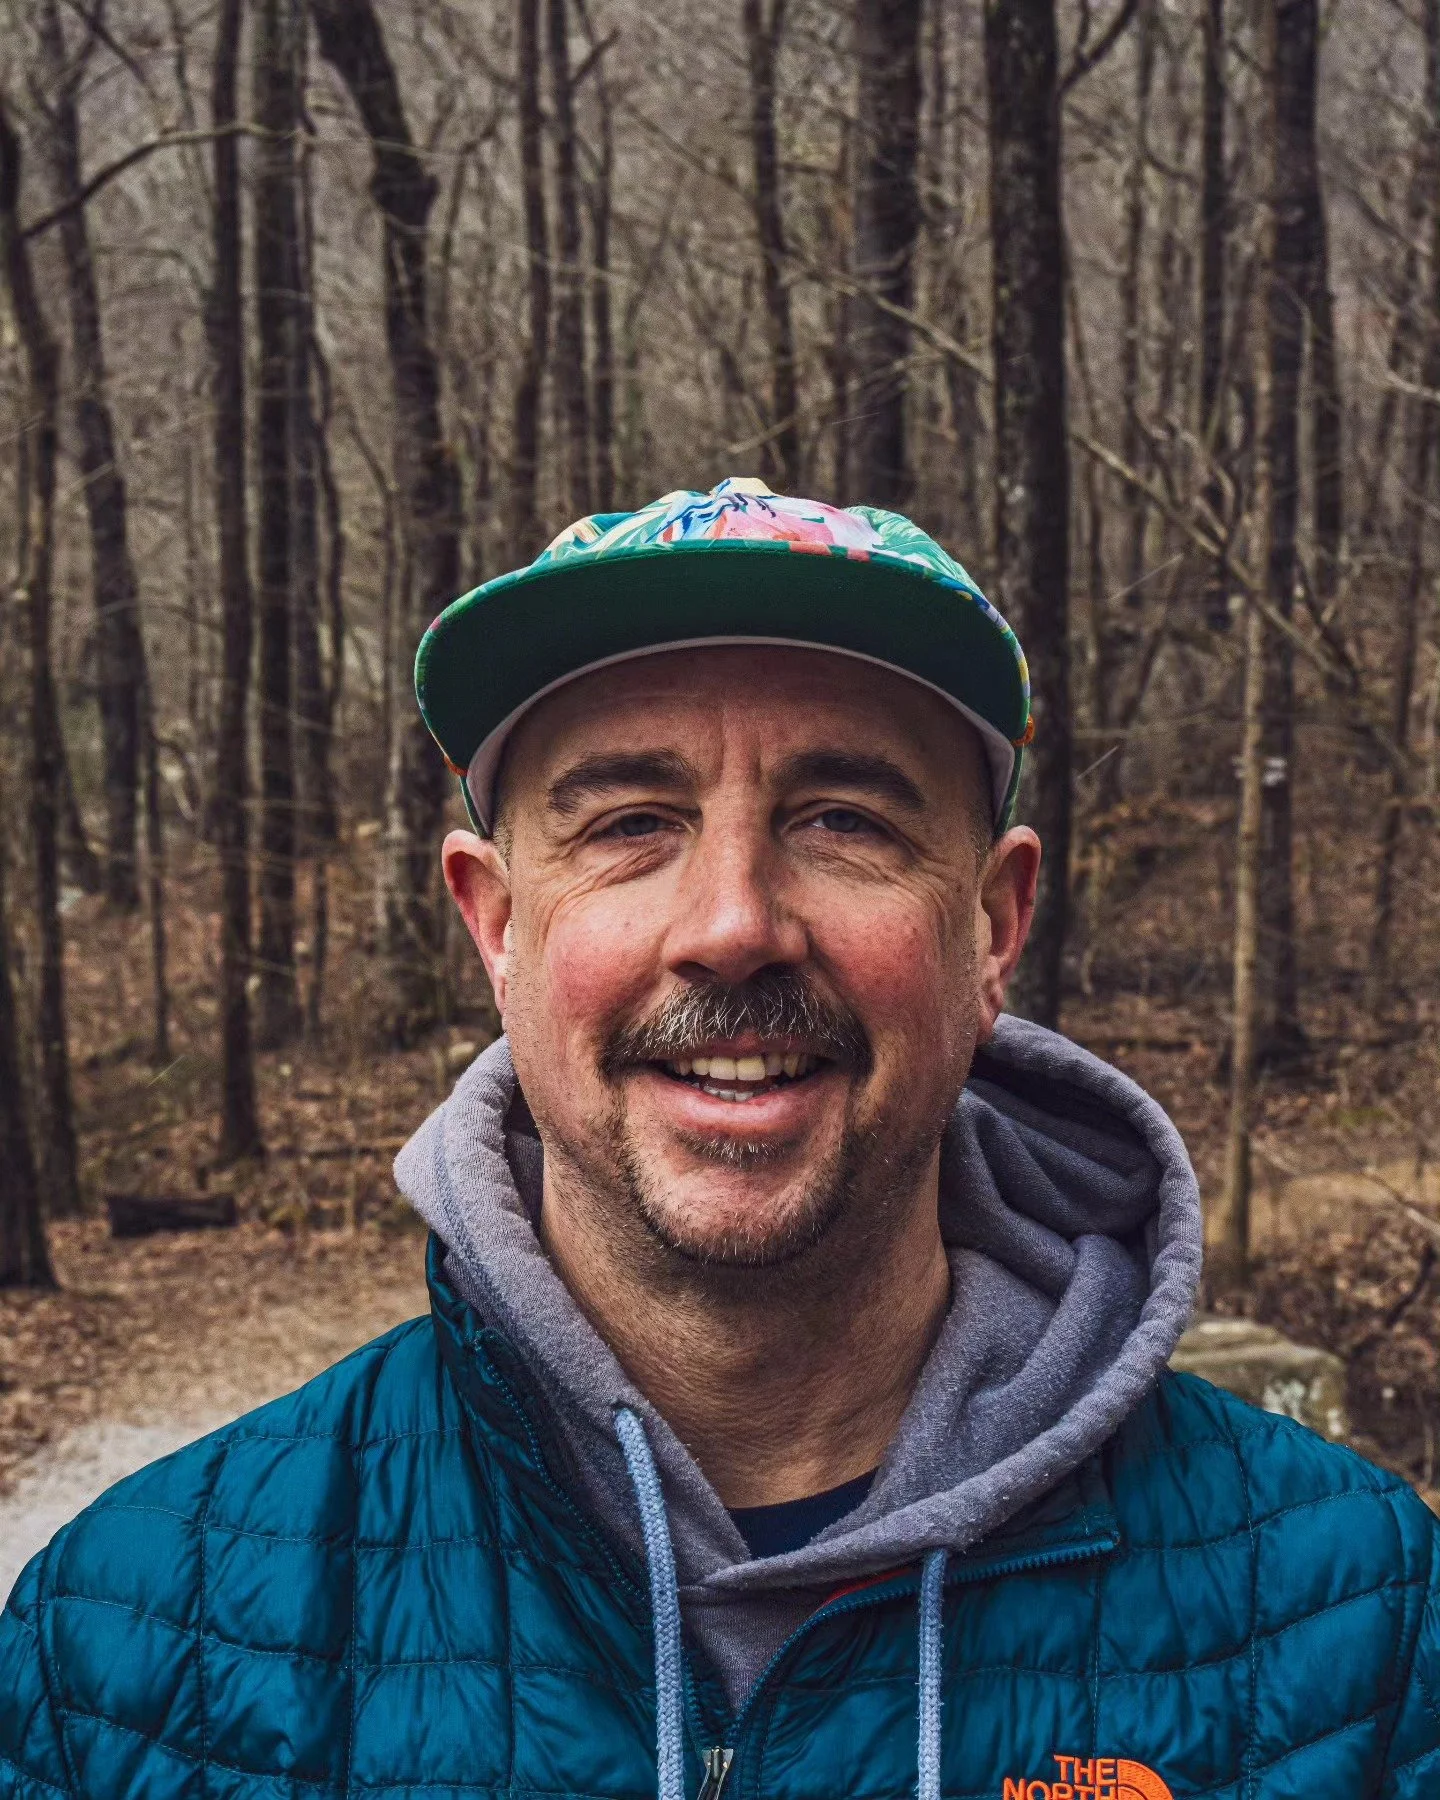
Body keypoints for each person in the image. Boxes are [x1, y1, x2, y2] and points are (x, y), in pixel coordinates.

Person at [3, 477, 1437, 1800]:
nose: (735, 925)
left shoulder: (1366, 1637)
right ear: (496, 923)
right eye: (632, 823)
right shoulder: (126, 1649)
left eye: (843, 818)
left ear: (991, 927)